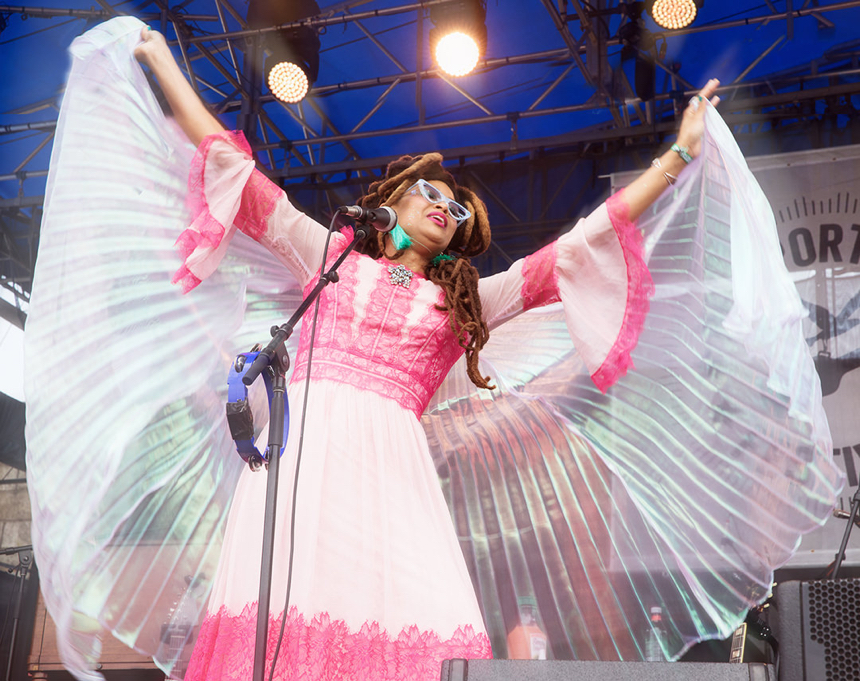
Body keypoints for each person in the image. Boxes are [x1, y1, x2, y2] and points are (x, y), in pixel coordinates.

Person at [25, 16, 842, 681]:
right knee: (278, 623)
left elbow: (579, 248)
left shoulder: (464, 307)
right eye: (430, 191)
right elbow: (235, 173)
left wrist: (676, 154)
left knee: (429, 626)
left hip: (392, 476)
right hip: (299, 460)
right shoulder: (329, 254)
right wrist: (164, 62)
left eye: (456, 205)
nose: (444, 205)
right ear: (391, 200)